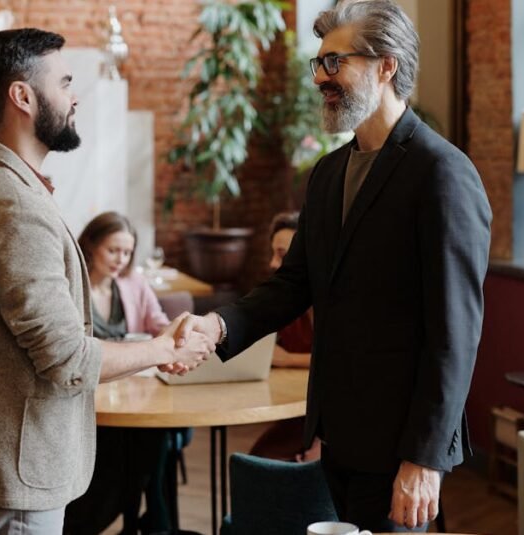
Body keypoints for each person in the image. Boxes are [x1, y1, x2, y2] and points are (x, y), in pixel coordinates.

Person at [176, 1, 492, 532]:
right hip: (339, 436)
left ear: (386, 65)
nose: (321, 78)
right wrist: (218, 325)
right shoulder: (327, 174)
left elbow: (454, 337)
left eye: (334, 62)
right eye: (318, 64)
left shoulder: (442, 173)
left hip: (402, 446)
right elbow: (293, 284)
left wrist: (425, 459)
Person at [0, 28, 211, 535]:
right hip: (16, 474)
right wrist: (161, 347)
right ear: (23, 96)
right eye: (64, 82)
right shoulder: (13, 205)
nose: (74, 95)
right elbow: (66, 358)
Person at [64, 212, 176, 534]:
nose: (120, 259)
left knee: (151, 434)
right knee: (136, 447)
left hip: (133, 395)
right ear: (91, 245)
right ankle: (142, 516)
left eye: (127, 252)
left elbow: (158, 323)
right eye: (113, 250)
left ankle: (144, 515)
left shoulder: (133, 283)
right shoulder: (71, 285)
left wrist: (177, 329)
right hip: (88, 397)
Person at [247, 211, 320, 462]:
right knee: (258, 459)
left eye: (280, 254)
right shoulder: (287, 309)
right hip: (299, 415)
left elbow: (344, 362)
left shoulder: (337, 305)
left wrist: (288, 359)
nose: (272, 263)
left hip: (337, 420)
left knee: (264, 461)